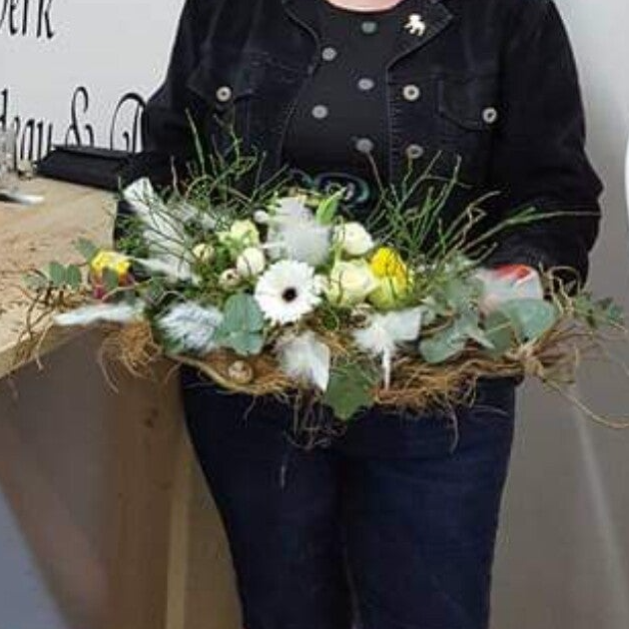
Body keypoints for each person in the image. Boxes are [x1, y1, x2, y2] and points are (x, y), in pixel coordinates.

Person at [118, 1, 602, 627]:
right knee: (284, 611)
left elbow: (555, 196)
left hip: (436, 402)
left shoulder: (506, 14)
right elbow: (165, 162)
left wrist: (505, 290)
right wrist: (175, 264)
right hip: (255, 392)